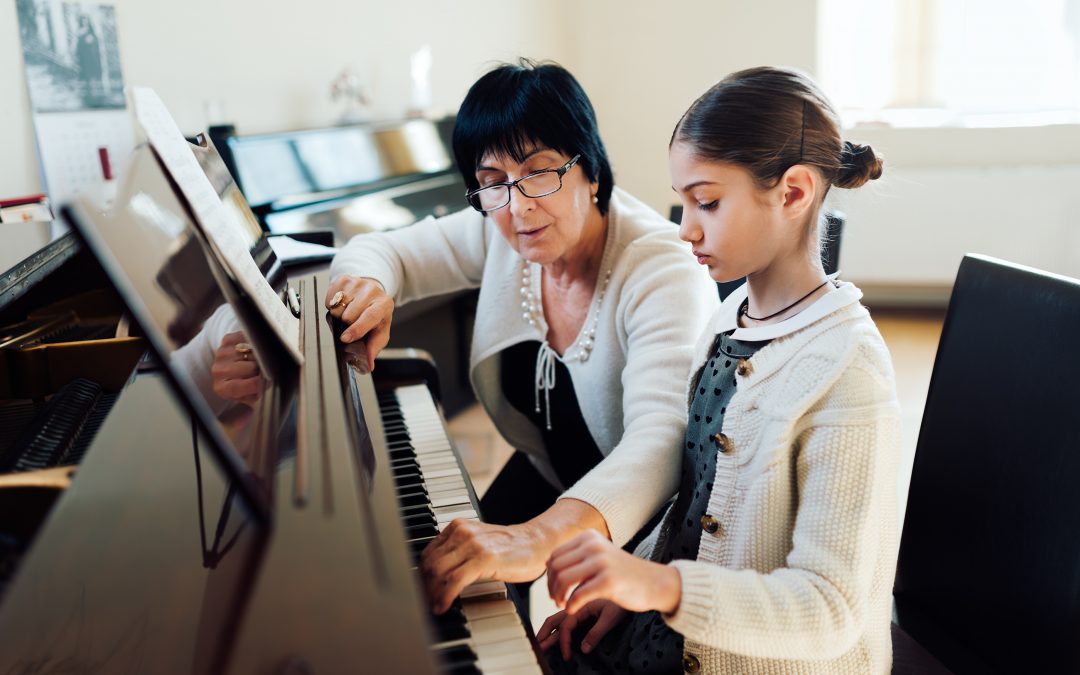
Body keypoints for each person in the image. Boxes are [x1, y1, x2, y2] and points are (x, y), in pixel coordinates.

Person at [537, 66, 901, 674]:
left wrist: (661, 589)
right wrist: (634, 586)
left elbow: (830, 609)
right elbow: (696, 494)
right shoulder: (729, 317)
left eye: (707, 201)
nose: (686, 229)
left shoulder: (846, 367)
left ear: (793, 192)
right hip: (675, 632)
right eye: (683, 202)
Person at [326, 60, 719, 613]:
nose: (519, 205)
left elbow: (660, 443)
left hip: (648, 518)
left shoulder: (661, 269)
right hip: (549, 470)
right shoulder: (501, 228)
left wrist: (536, 539)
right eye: (493, 182)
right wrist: (366, 286)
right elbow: (382, 249)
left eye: (540, 172)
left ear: (592, 171)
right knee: (453, 580)